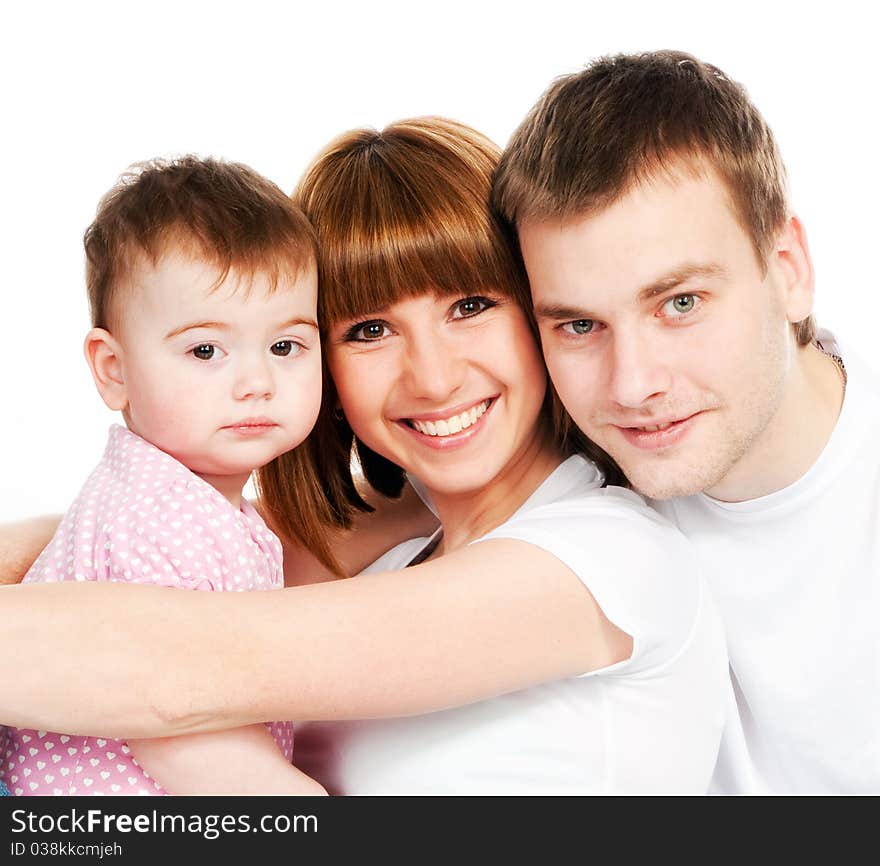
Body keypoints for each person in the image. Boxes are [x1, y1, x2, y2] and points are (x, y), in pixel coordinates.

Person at [0, 118, 729, 795]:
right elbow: (152, 541)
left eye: (470, 306)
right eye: (370, 329)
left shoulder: (609, 557)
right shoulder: (388, 559)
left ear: (541, 312)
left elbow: (171, 671)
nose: (435, 377)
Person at [492, 50, 880, 794]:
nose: (633, 386)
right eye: (578, 326)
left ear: (789, 267)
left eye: (680, 303)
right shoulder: (573, 466)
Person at [0, 156, 331, 797]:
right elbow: (179, 728)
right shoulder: (153, 521)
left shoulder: (203, 506)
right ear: (114, 369)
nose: (256, 383)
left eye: (285, 346)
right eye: (206, 350)